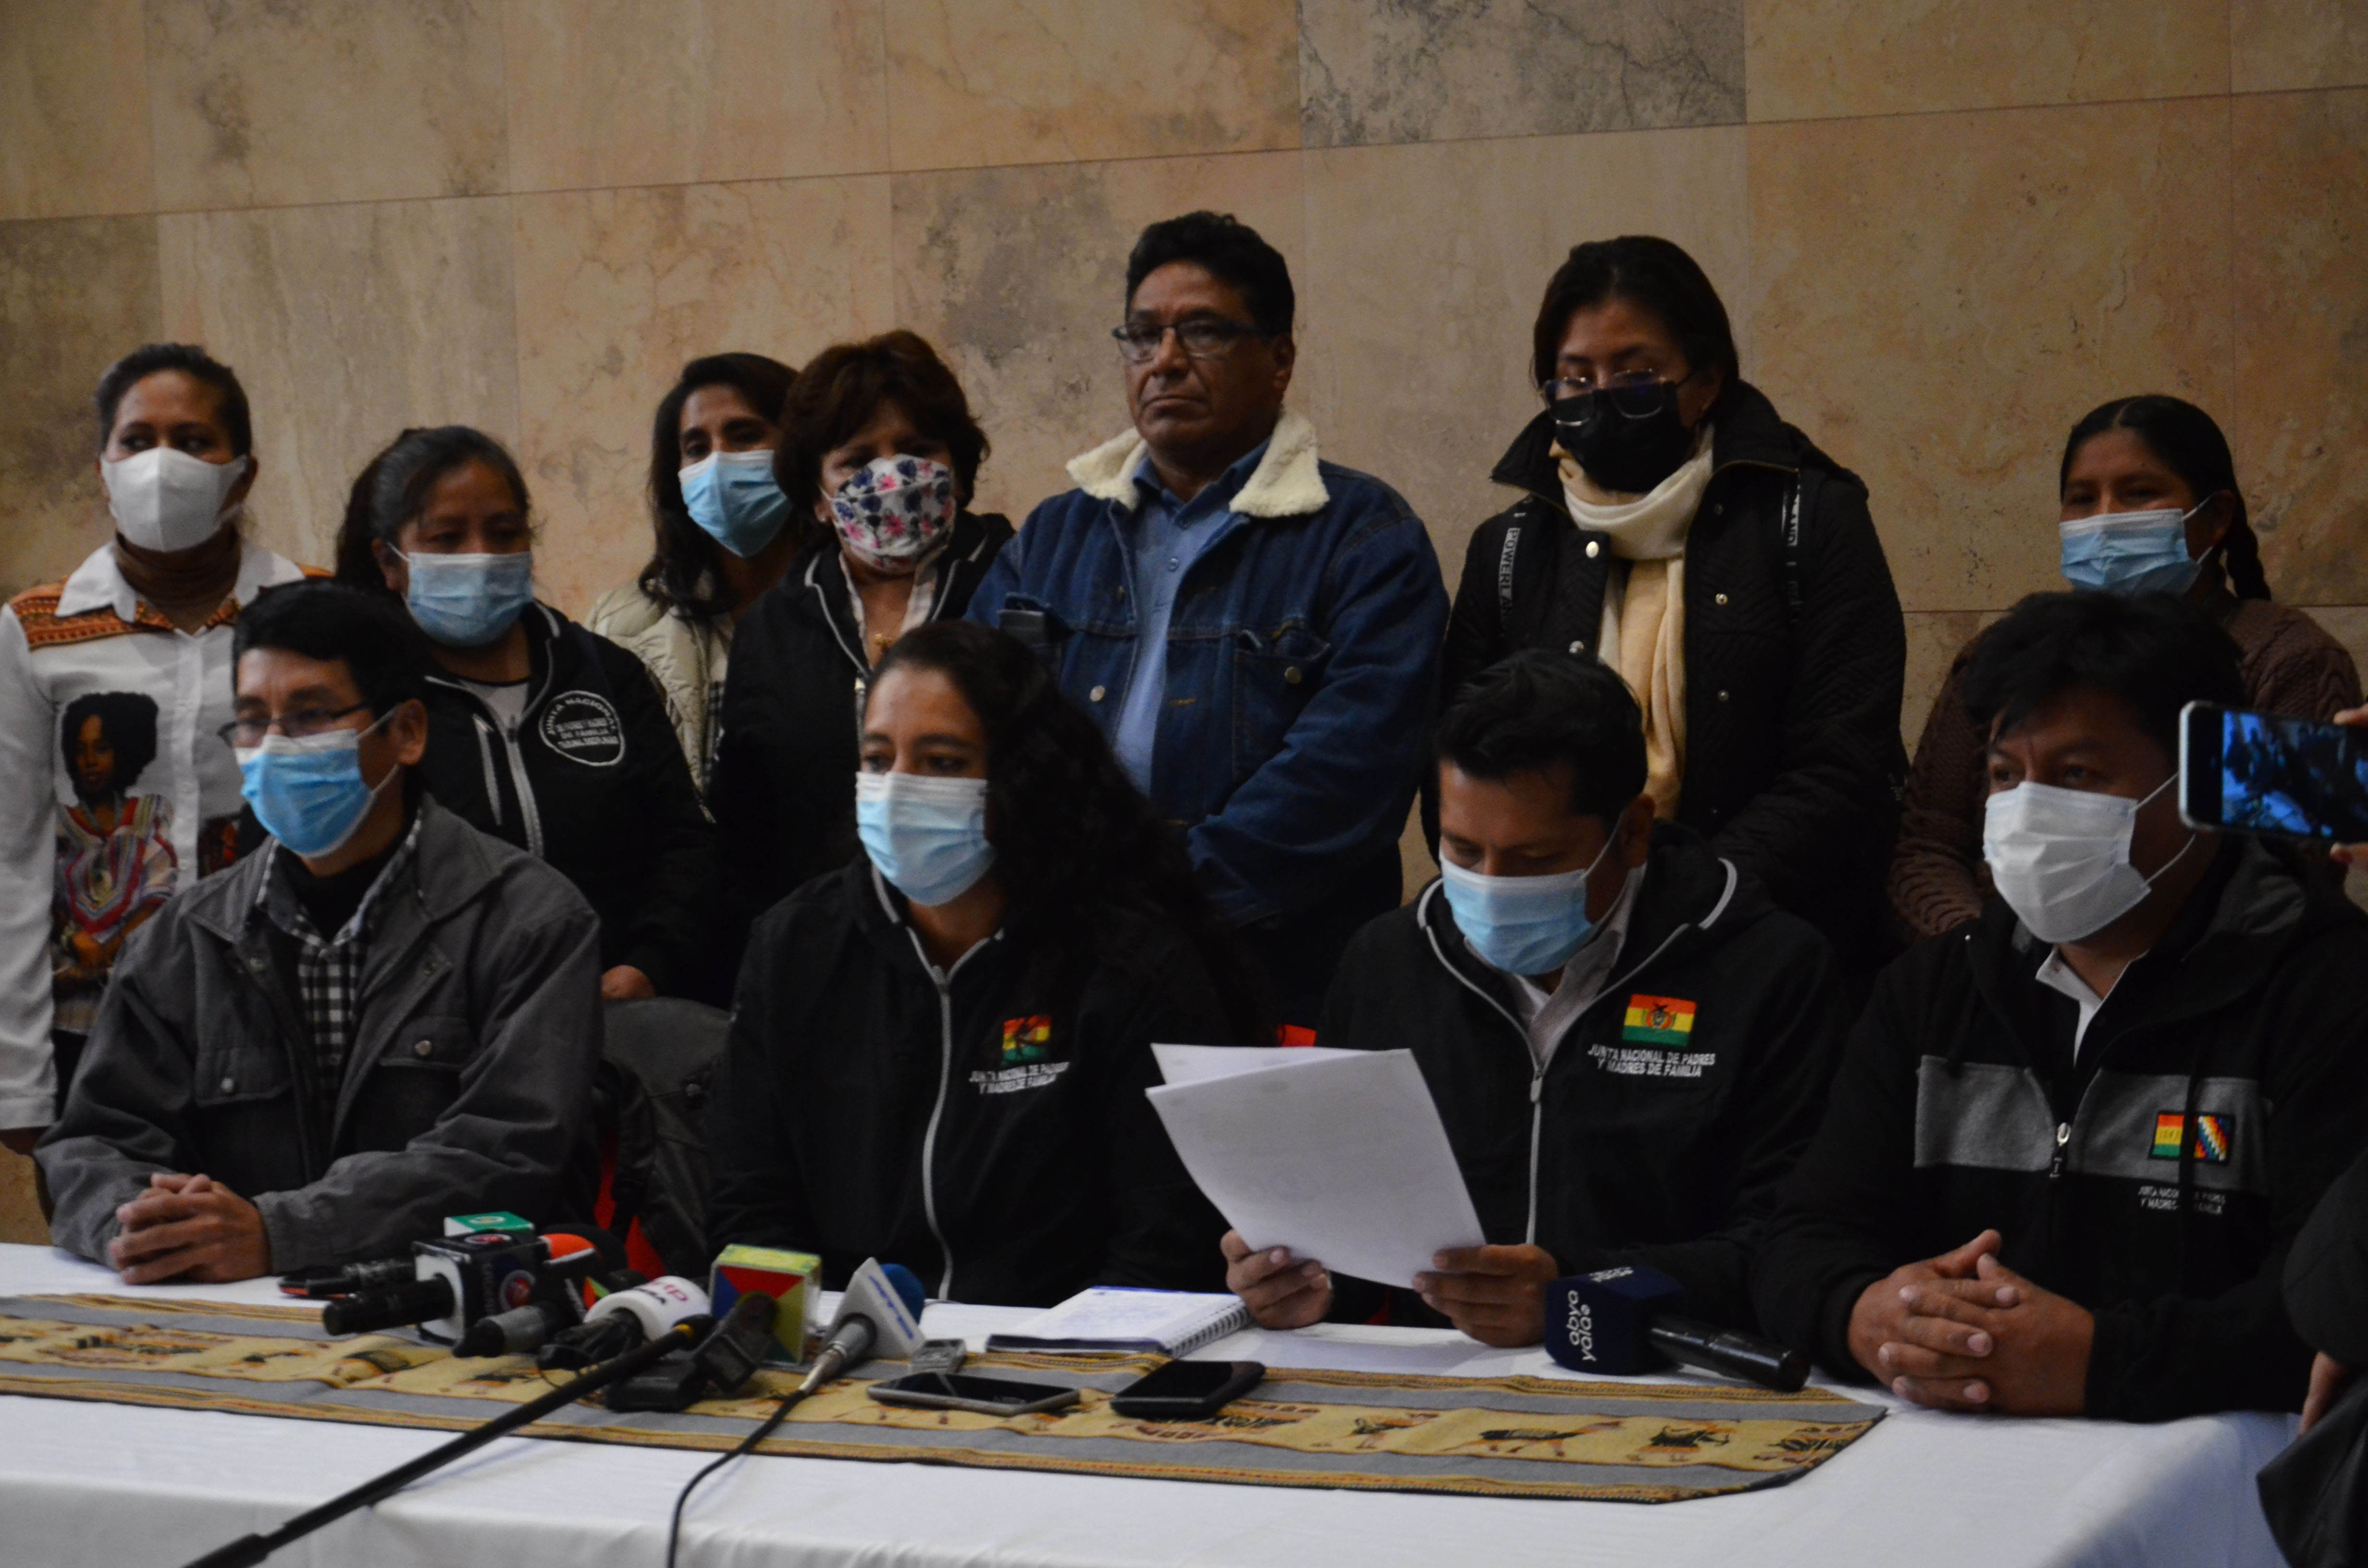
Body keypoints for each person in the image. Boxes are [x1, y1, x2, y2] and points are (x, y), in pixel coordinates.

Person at [1751, 591, 2368, 1421]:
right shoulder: (1931, 992)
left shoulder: (2328, 988)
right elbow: (1801, 1238)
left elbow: (2331, 1303)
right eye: (2006, 776)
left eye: (2077, 775)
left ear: (2203, 788)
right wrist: (1864, 1315)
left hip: (2217, 1478)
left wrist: (2098, 1361)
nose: (2028, 811)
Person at [1222, 651, 1849, 1345]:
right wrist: (1306, 1282)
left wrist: (1577, 1295)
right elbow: (1351, 1219)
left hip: (1666, 1369)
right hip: (1432, 1375)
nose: (1492, 887)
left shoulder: (1764, 969)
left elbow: (1787, 1246)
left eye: (1535, 861)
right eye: (1463, 852)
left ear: (1632, 833)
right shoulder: (1389, 962)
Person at [37, 582, 602, 1282]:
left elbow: (506, 1154)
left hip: (455, 1306)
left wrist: (282, 1233)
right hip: (235, 1312)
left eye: (310, 717)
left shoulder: (530, 921)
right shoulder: (188, 934)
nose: (273, 748)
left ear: (406, 732)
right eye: (252, 721)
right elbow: (94, 1141)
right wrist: (144, 1225)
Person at [967, 211, 1447, 1026]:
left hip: (1275, 970)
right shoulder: (1053, 535)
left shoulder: (1365, 537)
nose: (1165, 360)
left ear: (1280, 360)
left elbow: (1345, 775)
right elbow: (978, 724)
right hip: (1062, 960)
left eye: (1203, 332)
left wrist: (1156, 902)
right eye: (1142, 335)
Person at [706, 621, 1260, 1306]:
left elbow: (1166, 1239)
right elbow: (751, 1202)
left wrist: (1052, 1359)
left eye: (941, 762)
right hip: (844, 1343)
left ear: (1020, 776)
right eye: (878, 759)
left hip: (1060, 1351)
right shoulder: (794, 946)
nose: (898, 789)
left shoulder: (1126, 963)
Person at [1442, 236, 1906, 986]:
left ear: (1706, 381)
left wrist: (1682, 903)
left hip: (1767, 943)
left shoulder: (1811, 520)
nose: (1601, 398)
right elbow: (1457, 755)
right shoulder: (1511, 547)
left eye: (1636, 374)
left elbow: (1842, 760)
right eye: (1575, 378)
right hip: (1554, 942)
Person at [1891, 395, 2362, 942]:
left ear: (2215, 518)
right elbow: (1926, 849)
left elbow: (2297, 875)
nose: (2106, 518)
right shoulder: (2007, 656)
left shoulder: (2288, 662)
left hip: (2205, 980)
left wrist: (2120, 971)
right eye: (2082, 499)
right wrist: (1988, 957)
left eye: (2139, 493)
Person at [0, 343, 311, 1152]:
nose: (163, 463)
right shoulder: (37, 629)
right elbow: (13, 856)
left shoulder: (313, 607)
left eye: (195, 440)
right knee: (116, 1227)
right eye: (137, 441)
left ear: (242, 474)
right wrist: (18, 1077)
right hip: (99, 1029)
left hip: (288, 1017)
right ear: (104, 470)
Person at [335, 425, 719, 1003]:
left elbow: (684, 841)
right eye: (447, 538)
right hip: (440, 1023)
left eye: (503, 532)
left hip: (615, 1010)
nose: (481, 556)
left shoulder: (604, 671)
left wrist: (650, 964)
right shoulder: (362, 698)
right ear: (390, 562)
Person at [711, 331, 1010, 935]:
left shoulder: (1019, 584)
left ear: (957, 470)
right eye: (857, 460)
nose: (891, 476)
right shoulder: (771, 627)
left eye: (916, 449)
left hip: (1000, 935)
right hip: (824, 946)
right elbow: (745, 827)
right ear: (818, 497)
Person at [585, 353, 800, 794]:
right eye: (698, 448)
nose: (719, 463)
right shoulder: (619, 629)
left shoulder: (855, 607)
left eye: (745, 436)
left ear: (801, 449)